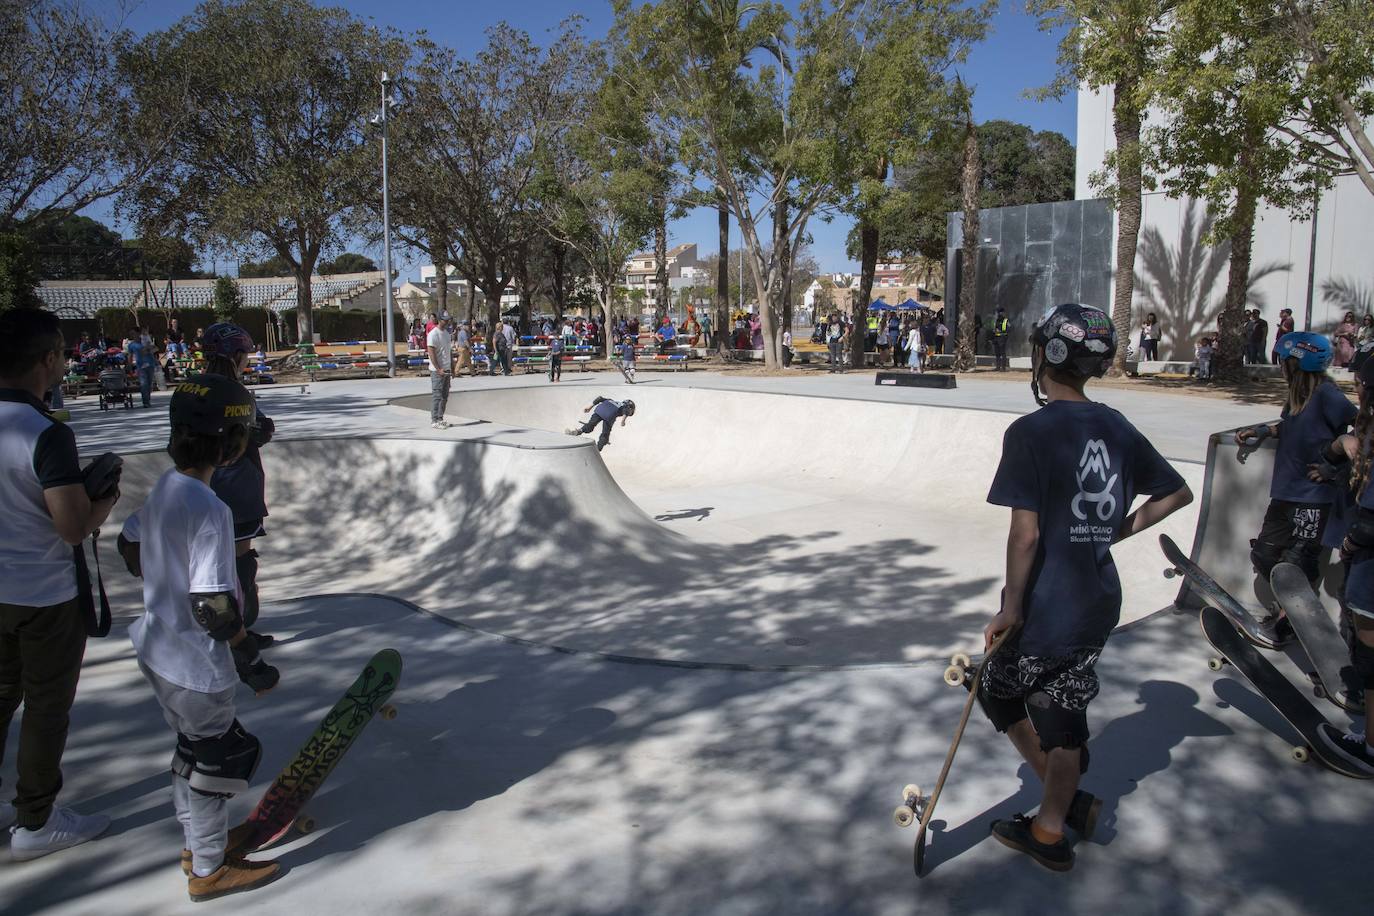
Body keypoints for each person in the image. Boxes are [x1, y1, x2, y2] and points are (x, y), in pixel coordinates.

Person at [981, 303, 1192, 872]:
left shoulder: (1030, 432)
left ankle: (1055, 818)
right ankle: (1057, 809)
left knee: (1010, 694)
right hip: (1097, 599)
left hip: (1046, 603)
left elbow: (1025, 535)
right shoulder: (1116, 425)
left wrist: (1011, 606)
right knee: (1054, 705)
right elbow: (1177, 493)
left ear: (1046, 354)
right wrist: (1113, 531)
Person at [120, 374, 282, 900]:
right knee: (219, 762)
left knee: (190, 754)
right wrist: (248, 656)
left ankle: (196, 845)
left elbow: (128, 544)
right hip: (194, 665)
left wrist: (164, 571)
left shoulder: (167, 487)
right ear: (231, 443)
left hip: (157, 649)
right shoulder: (211, 509)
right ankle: (209, 869)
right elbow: (212, 606)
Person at [0, 308, 120, 859]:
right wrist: (105, 500)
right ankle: (37, 821)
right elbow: (72, 527)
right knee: (46, 708)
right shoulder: (45, 434)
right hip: (44, 595)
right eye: (63, 355)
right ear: (47, 360)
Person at [1235, 331, 1356, 646]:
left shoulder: (1327, 394)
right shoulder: (1297, 396)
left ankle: (1285, 626)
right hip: (1285, 492)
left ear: (1298, 362)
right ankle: (1292, 613)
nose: (1280, 366)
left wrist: (1333, 465)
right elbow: (1293, 427)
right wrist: (1262, 430)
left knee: (1297, 562)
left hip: (1314, 497)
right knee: (1264, 554)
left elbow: (1361, 428)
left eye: (1284, 360)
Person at [1307, 357, 1374, 773]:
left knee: (1370, 660)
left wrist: (1350, 543)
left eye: (1361, 383)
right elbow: (1331, 455)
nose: (1357, 389)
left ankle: (1370, 749)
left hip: (1370, 570)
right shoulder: (1361, 434)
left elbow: (1369, 523)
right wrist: (1339, 447)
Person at [200, 324, 277, 648]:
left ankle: (219, 628)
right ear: (236, 355)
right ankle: (238, 633)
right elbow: (260, 430)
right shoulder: (235, 393)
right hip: (238, 489)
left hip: (202, 488)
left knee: (212, 563)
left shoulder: (195, 389)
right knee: (240, 563)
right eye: (245, 355)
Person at [566, 397, 636, 452]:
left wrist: (589, 407)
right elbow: (625, 411)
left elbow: (599, 398)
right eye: (632, 410)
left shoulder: (611, 400)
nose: (631, 412)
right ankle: (598, 449)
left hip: (599, 410)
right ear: (630, 407)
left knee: (591, 424)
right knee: (605, 434)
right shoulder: (625, 406)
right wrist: (623, 421)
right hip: (609, 416)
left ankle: (578, 431)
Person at [427, 317, 454, 430]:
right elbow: (431, 352)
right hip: (437, 370)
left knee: (444, 396)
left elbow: (449, 351)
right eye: (444, 320)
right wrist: (438, 369)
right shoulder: (433, 334)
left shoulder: (447, 334)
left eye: (448, 320)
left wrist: (452, 367)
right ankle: (434, 420)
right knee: (437, 395)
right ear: (439, 320)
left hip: (447, 369)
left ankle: (440, 418)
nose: (447, 322)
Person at [127, 326, 158, 408]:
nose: (132, 335)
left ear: (138, 333)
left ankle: (148, 399)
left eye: (134, 333)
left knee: (149, 384)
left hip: (150, 364)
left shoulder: (146, 340)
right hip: (140, 367)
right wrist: (130, 367)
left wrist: (148, 349)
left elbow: (155, 349)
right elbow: (130, 356)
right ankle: (145, 402)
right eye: (131, 334)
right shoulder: (131, 345)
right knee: (144, 384)